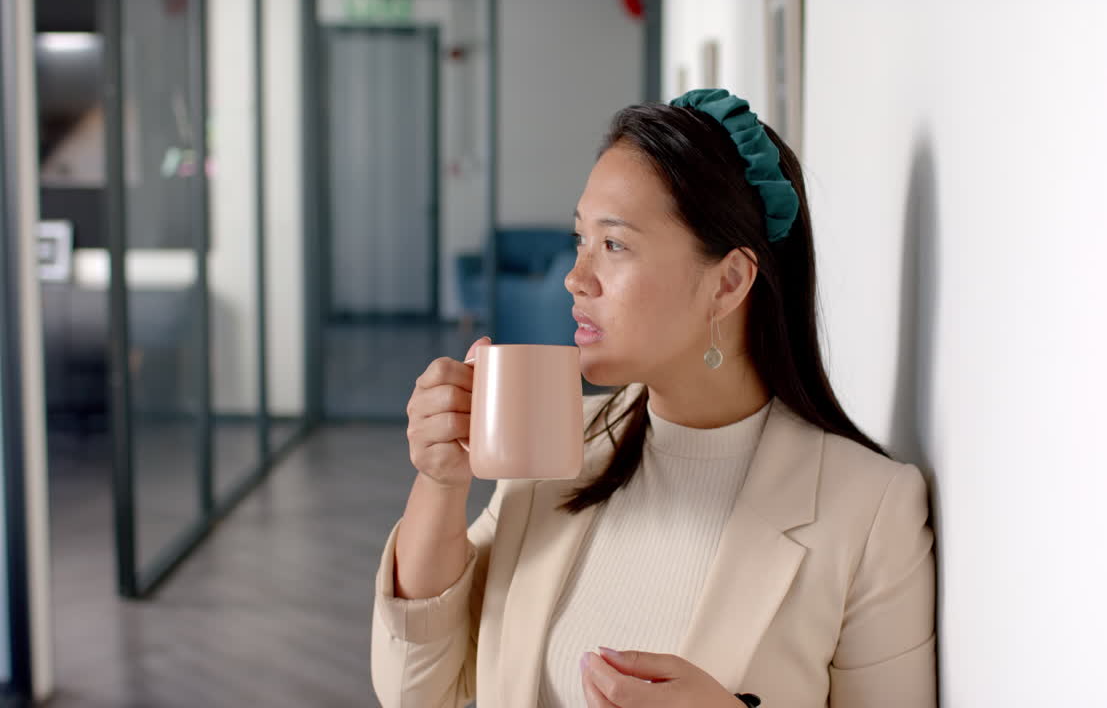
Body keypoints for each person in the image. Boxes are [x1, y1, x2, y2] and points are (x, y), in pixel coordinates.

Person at [371, 89, 936, 708]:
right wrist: (441, 480)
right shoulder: (563, 444)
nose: (575, 276)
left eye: (613, 245)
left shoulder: (872, 510)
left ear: (728, 282)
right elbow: (417, 691)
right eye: (580, 239)